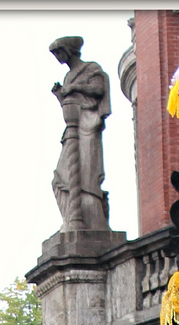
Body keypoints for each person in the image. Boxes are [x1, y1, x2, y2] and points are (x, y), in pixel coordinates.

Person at [49, 35, 112, 231]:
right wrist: (61, 95)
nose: (58, 57)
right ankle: (71, 219)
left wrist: (74, 87)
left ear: (69, 50)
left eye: (59, 52)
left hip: (88, 127)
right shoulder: (68, 76)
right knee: (60, 177)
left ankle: (88, 220)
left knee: (86, 174)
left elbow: (98, 88)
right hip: (73, 127)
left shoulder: (90, 68)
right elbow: (70, 104)